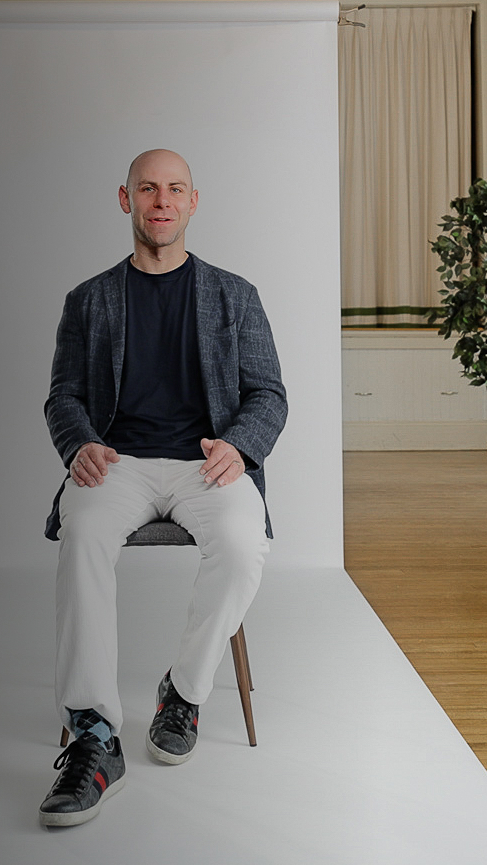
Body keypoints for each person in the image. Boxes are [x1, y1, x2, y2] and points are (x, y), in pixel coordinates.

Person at [37, 149, 287, 827]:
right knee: (84, 530)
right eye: (148, 189)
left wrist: (238, 445)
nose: (161, 201)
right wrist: (81, 441)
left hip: (207, 464)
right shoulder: (89, 299)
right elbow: (63, 395)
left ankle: (182, 691)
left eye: (175, 189)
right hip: (117, 463)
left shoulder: (235, 296)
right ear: (126, 200)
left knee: (242, 544)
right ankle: (94, 735)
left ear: (193, 202)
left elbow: (269, 394)